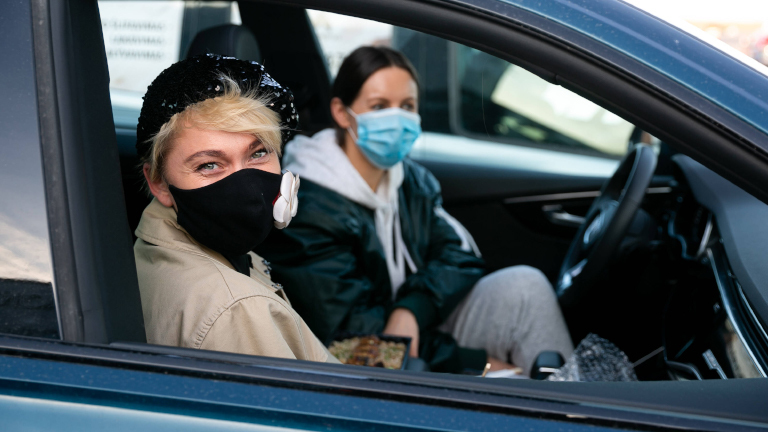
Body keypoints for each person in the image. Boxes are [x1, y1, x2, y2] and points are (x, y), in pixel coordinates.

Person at [257, 46, 573, 374]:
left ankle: (572, 405)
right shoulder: (309, 208)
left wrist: (412, 308)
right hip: (365, 359)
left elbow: (459, 255)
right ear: (341, 112)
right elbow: (349, 340)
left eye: (407, 106)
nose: (397, 119)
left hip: (419, 326)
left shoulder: (409, 179)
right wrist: (482, 365)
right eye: (379, 106)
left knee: (526, 285)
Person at [134, 54, 337, 363]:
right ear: (159, 184)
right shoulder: (237, 309)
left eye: (258, 153)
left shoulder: (153, 251)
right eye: (209, 164)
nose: (245, 187)